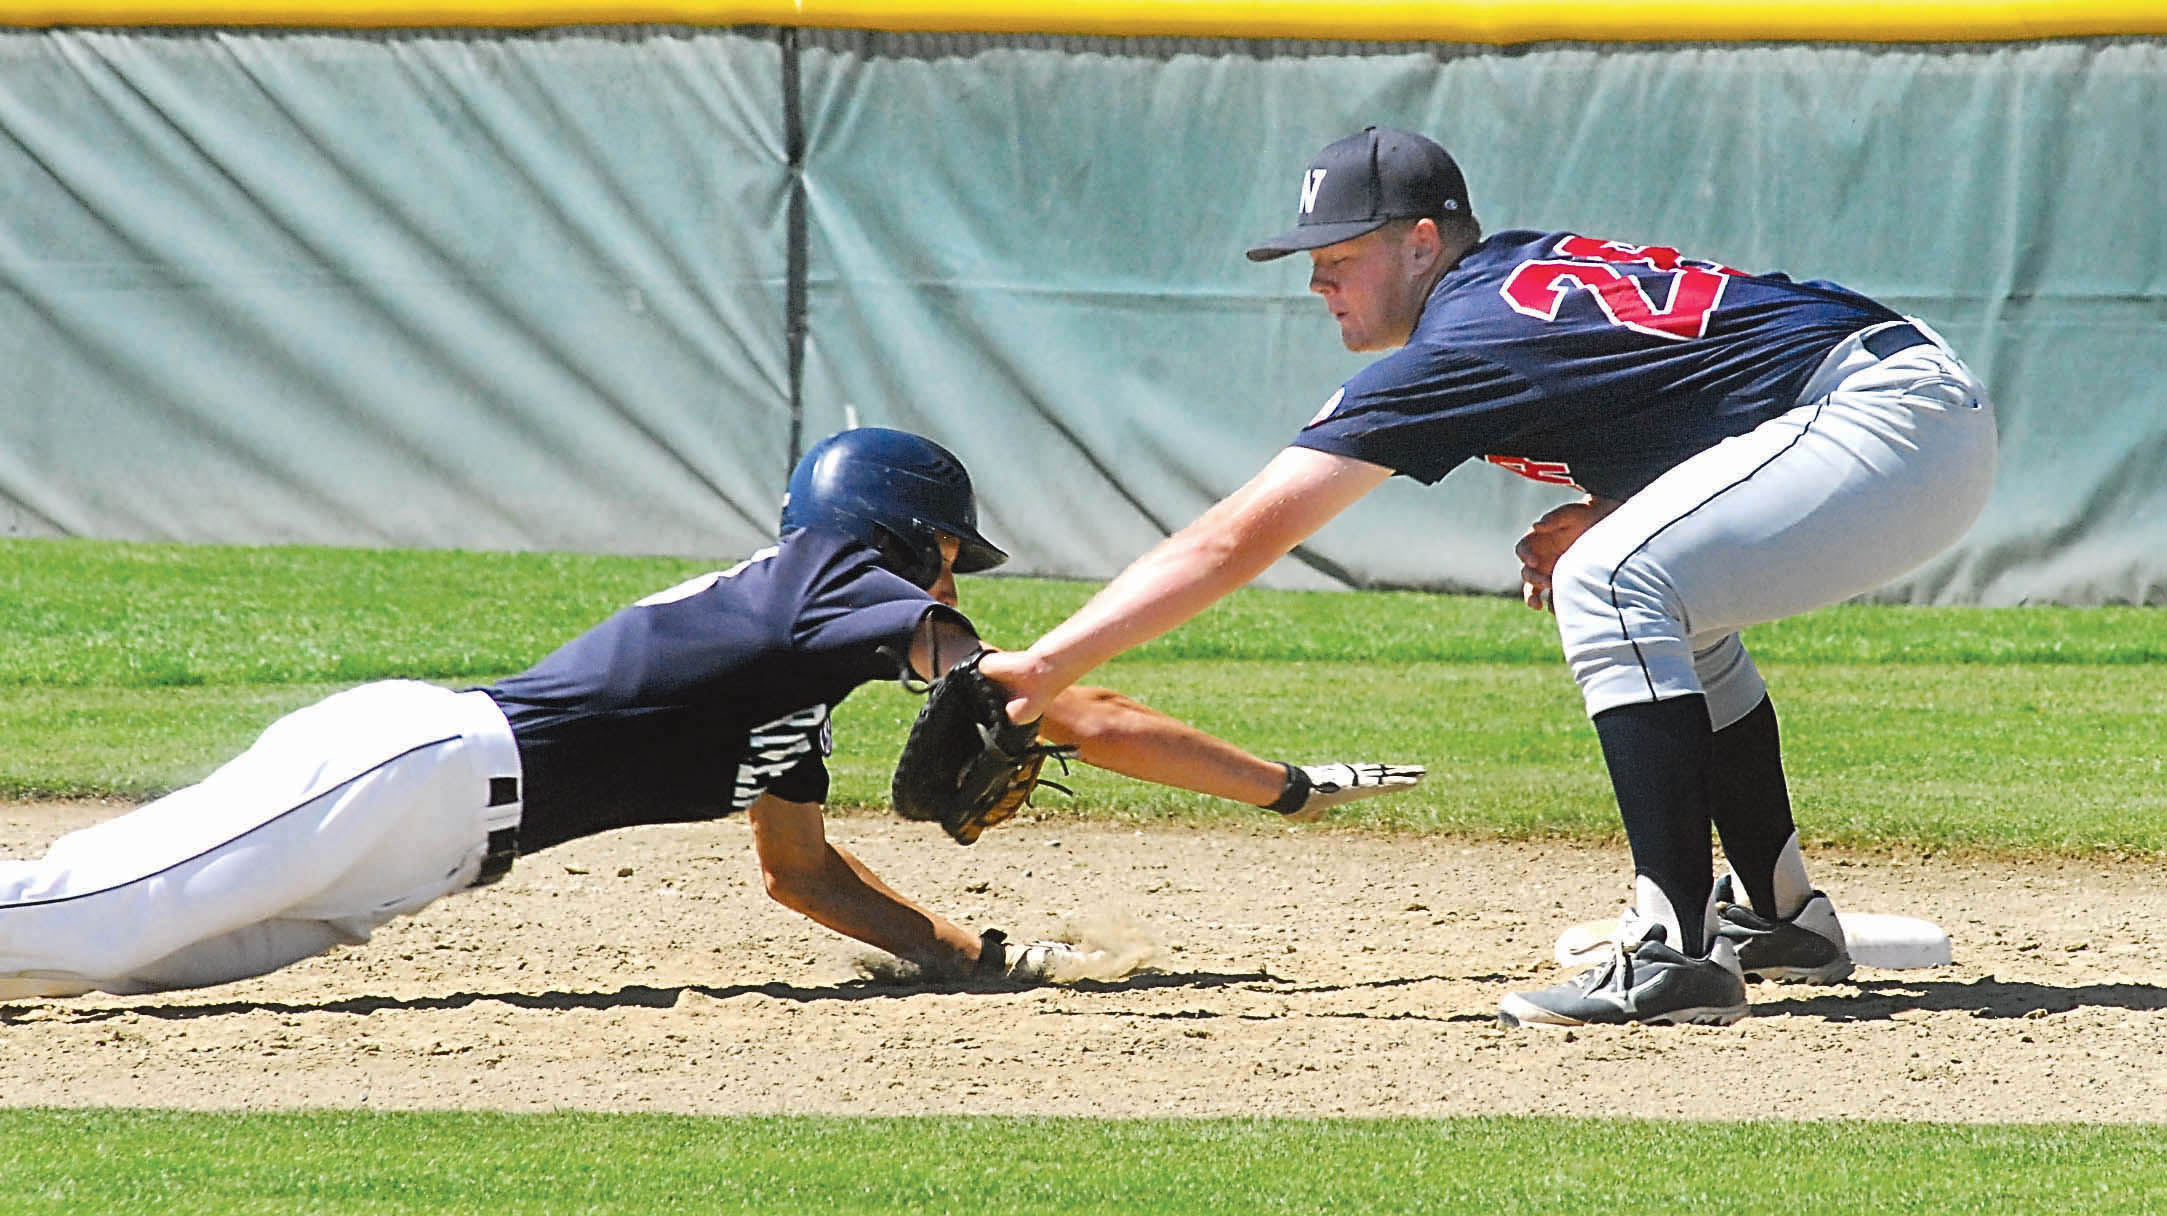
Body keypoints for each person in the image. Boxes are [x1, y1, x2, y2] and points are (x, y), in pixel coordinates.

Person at [980, 126, 1998, 1028]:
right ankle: (1780, 918)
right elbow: (1708, 380)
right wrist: (1617, 506)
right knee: (1656, 588)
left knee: (1611, 577)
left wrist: (1045, 665)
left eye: (1339, 257)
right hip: (1894, 404)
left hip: (1883, 414)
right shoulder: (1507, 282)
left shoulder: (1465, 335)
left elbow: (1232, 540)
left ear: (1422, 242)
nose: (1316, 283)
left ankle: (1674, 951)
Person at [0, 427, 1422, 1000]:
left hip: (420, 853)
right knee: (86, 916)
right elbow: (1040, 689)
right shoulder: (824, 583)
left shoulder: (783, 675)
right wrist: (1283, 788)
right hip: (414, 770)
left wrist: (972, 952)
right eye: (946, 555)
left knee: (105, 966)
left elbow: (797, 871)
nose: (949, 579)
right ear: (898, 536)